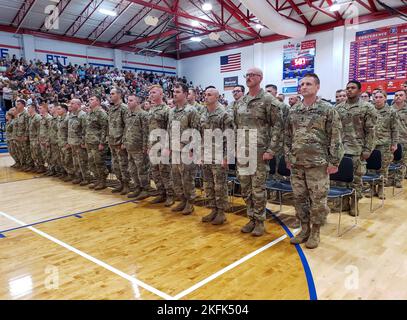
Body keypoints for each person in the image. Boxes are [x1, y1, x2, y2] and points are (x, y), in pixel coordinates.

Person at [285, 73, 344, 249]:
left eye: (308, 84)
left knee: (318, 200)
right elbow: (287, 136)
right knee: (299, 198)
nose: (304, 87)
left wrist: (334, 161)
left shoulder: (327, 109)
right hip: (297, 164)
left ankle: (316, 231)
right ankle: (304, 230)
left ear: (317, 87)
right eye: (302, 84)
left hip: (318, 164)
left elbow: (336, 136)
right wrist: (288, 157)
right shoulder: (294, 110)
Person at [234, 68, 283, 236]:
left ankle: (260, 221)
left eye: (252, 75)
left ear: (260, 78)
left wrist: (271, 150)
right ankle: (251, 218)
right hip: (242, 151)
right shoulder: (240, 101)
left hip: (259, 151)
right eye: (246, 75)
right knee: (245, 188)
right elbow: (236, 126)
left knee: (258, 189)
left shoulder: (269, 100)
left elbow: (278, 126)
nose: (248, 78)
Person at [336, 80, 377, 215]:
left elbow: (371, 131)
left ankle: (354, 203)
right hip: (341, 149)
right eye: (347, 88)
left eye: (352, 88)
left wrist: (367, 149)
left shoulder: (367, 107)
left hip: (357, 149)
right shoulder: (339, 108)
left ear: (359, 91)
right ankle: (344, 202)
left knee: (356, 179)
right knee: (342, 179)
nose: (349, 90)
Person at [199, 87, 234, 225]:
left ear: (217, 97)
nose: (206, 97)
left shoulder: (224, 114)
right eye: (205, 94)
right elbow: (202, 136)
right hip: (207, 154)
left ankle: (221, 212)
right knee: (208, 185)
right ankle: (213, 209)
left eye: (209, 94)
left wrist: (227, 157)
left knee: (220, 186)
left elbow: (230, 137)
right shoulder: (203, 113)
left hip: (219, 155)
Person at [168, 82, 199, 215]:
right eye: (174, 92)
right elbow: (169, 130)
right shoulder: (172, 111)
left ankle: (190, 203)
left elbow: (196, 131)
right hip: (174, 150)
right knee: (176, 177)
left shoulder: (191, 110)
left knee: (187, 178)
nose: (175, 94)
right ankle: (182, 200)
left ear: (185, 94)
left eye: (178, 92)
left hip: (187, 151)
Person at [367, 90, 399, 199]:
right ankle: (371, 188)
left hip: (385, 144)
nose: (378, 99)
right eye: (376, 97)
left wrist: (394, 143)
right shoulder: (370, 111)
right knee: (370, 168)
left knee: (383, 168)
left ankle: (381, 189)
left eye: (381, 97)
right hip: (371, 144)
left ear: (385, 98)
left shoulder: (391, 112)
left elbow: (395, 129)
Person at [123, 94, 151, 199]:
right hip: (130, 147)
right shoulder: (128, 114)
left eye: (131, 100)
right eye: (128, 100)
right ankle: (137, 187)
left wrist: (145, 146)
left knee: (142, 170)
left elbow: (146, 132)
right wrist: (124, 142)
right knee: (132, 170)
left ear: (137, 102)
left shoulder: (143, 115)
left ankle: (145, 189)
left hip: (139, 148)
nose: (128, 102)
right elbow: (126, 130)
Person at [107, 88, 130, 195]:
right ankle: (121, 183)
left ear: (119, 95)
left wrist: (124, 141)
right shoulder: (111, 108)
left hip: (120, 142)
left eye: (113, 93)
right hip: (112, 141)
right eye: (110, 94)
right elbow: (109, 125)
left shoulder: (124, 108)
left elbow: (127, 126)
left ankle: (127, 185)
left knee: (123, 164)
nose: (110, 95)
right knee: (115, 165)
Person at [85, 95, 109, 190]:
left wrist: (102, 143)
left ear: (98, 102)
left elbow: (105, 129)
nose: (89, 100)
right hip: (90, 142)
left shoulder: (101, 113)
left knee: (99, 163)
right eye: (89, 99)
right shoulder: (90, 113)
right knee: (92, 162)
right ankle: (98, 180)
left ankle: (103, 181)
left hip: (98, 143)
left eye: (91, 99)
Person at [68, 98, 91, 186]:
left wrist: (83, 142)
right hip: (73, 142)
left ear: (78, 105)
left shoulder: (82, 115)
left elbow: (85, 129)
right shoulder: (71, 114)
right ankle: (78, 177)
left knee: (82, 161)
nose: (70, 105)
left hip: (79, 143)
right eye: (70, 103)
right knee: (75, 161)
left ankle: (86, 178)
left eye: (72, 103)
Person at [392, 90, 407, 188]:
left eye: (401, 95)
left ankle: (398, 179)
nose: (398, 97)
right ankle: (390, 179)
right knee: (391, 160)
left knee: (402, 161)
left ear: (405, 97)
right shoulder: (390, 109)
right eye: (396, 95)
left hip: (404, 139)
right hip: (392, 140)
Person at [56, 103, 74, 182]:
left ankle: (72, 175)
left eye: (59, 109)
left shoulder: (68, 119)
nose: (57, 110)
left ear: (64, 109)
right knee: (63, 160)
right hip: (61, 142)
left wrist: (68, 143)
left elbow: (70, 132)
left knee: (68, 160)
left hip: (66, 143)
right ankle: (67, 174)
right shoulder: (60, 118)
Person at [13, 99, 32, 171]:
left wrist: (26, 136)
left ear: (23, 105)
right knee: (21, 151)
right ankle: (24, 164)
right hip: (19, 136)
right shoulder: (18, 115)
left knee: (27, 151)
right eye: (16, 104)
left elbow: (27, 126)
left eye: (18, 104)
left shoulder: (26, 114)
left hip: (24, 137)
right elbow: (18, 126)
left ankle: (30, 165)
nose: (17, 106)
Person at [27, 104, 44, 173]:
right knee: (34, 154)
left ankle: (41, 167)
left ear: (33, 108)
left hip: (36, 139)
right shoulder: (31, 117)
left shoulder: (37, 117)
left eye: (29, 108)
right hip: (32, 139)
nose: (28, 109)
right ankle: (37, 166)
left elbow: (40, 129)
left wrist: (39, 139)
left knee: (38, 153)